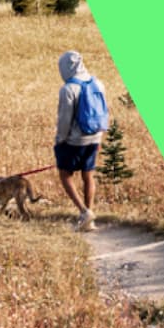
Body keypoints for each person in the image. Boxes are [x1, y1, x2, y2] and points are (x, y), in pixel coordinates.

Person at [52, 50, 109, 230]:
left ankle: (84, 212)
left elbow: (64, 119)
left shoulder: (68, 89)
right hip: (95, 135)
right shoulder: (97, 83)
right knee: (88, 175)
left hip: (75, 140)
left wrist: (60, 140)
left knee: (65, 174)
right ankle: (89, 213)